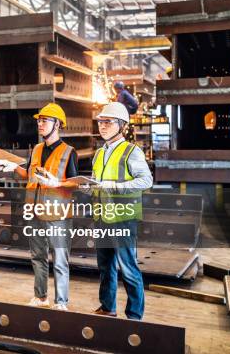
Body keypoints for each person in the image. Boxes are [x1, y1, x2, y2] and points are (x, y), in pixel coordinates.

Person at [0, 103, 78, 310]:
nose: (40, 124)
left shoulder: (69, 152)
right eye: (39, 121)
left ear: (57, 124)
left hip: (58, 215)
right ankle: (41, 297)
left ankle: (61, 302)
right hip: (35, 211)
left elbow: (77, 183)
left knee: (59, 260)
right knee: (38, 257)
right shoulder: (37, 149)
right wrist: (14, 168)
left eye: (44, 121)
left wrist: (57, 183)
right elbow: (30, 175)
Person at [91, 102, 152, 320]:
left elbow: (146, 180)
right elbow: (99, 183)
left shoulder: (131, 152)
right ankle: (108, 307)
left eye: (108, 122)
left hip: (124, 219)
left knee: (128, 268)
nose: (103, 126)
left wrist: (116, 186)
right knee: (105, 266)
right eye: (100, 121)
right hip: (102, 218)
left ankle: (134, 316)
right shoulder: (99, 153)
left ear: (122, 126)